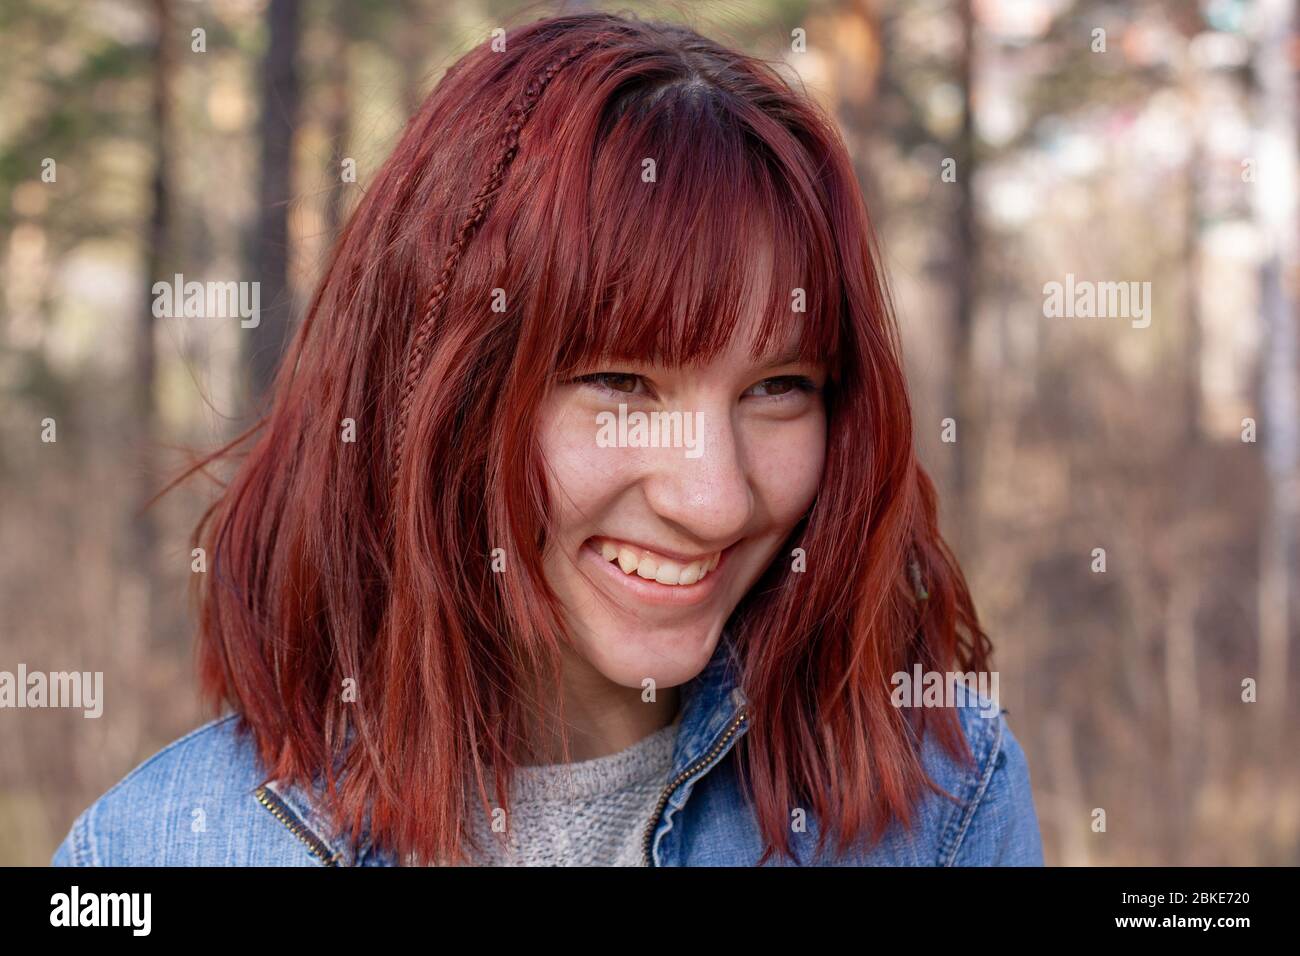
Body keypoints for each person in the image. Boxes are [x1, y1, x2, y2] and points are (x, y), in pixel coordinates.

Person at [53, 11, 1043, 867]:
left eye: (779, 387)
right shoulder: (152, 850)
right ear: (434, 394)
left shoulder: (941, 804)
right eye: (620, 381)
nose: (716, 498)